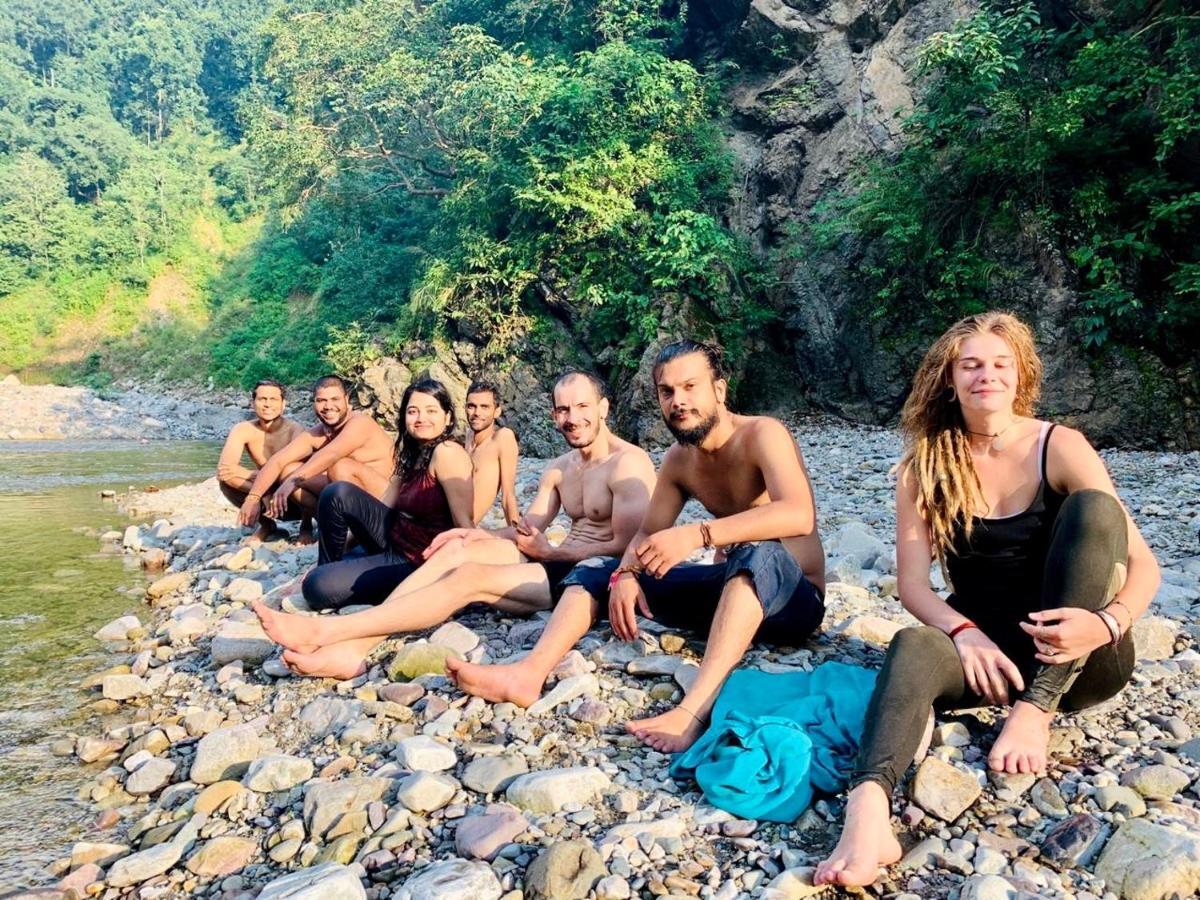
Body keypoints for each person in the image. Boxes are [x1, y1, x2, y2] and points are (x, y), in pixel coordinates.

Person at [815, 311, 1161, 888]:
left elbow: (1145, 566)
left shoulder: (1061, 445)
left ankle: (1036, 711)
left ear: (1020, 374)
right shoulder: (924, 466)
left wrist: (1106, 624)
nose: (986, 375)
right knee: (913, 643)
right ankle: (869, 806)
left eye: (1000, 364)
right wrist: (962, 631)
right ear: (949, 379)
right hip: (989, 658)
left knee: (1095, 509)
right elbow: (914, 587)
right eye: (970, 364)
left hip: (1081, 660)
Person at [448, 339, 826, 754]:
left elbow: (798, 513)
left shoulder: (762, 434)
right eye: (667, 392)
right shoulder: (680, 460)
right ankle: (527, 674)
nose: (678, 401)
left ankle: (693, 712)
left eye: (690, 387)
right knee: (596, 570)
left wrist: (698, 534)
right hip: (730, 596)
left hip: (792, 599)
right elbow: (646, 534)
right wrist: (626, 574)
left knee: (759, 553)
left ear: (718, 389)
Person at [252, 370, 655, 680]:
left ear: (603, 408)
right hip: (554, 561)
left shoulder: (628, 462)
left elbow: (625, 547)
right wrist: (475, 534)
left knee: (466, 576)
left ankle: (335, 636)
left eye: (583, 408)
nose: (573, 418)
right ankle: (353, 646)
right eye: (564, 410)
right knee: (455, 549)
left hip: (590, 576)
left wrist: (553, 552)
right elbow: (528, 528)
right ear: (553, 414)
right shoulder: (559, 468)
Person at [285, 378, 475, 620]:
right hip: (394, 538)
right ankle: (327, 566)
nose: (420, 419)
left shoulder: (448, 453)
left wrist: (463, 581)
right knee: (337, 492)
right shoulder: (412, 454)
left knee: (315, 587)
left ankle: (328, 576)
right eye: (413, 411)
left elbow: (465, 525)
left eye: (431, 411)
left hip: (418, 561)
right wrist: (343, 548)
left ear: (447, 417)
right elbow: (382, 507)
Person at [237, 375, 395, 531]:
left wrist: (292, 482)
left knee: (338, 467)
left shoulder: (360, 422)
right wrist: (253, 498)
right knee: (289, 470)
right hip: (353, 499)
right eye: (321, 401)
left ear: (347, 400)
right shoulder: (319, 432)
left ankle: (357, 530)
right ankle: (333, 525)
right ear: (314, 403)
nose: (328, 406)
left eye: (335, 399)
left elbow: (332, 454)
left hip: (385, 503)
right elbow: (279, 460)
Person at [216, 379, 312, 543]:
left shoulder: (296, 430)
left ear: (283, 404)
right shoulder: (243, 429)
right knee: (226, 481)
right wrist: (264, 491)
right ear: (253, 402)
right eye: (262, 399)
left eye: (273, 399)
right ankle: (267, 525)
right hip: (266, 496)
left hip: (292, 495)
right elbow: (224, 470)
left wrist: (262, 483)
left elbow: (299, 473)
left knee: (297, 477)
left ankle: (306, 526)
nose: (267, 404)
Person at [464, 379, 520, 526]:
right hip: (443, 519)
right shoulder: (469, 436)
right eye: (471, 406)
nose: (476, 413)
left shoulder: (502, 438)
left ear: (497, 411)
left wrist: (518, 537)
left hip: (459, 528)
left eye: (484, 407)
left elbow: (508, 496)